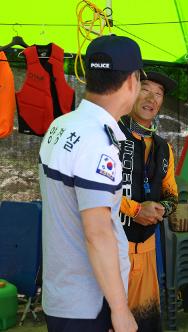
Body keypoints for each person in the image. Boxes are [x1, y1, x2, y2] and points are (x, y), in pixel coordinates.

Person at [38, 35, 144, 332]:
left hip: (61, 293)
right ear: (132, 81)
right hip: (88, 303)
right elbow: (97, 233)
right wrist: (120, 310)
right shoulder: (98, 142)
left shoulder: (61, 125)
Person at [118, 71, 178, 331]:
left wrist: (161, 209)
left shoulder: (164, 148)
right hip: (112, 246)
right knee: (111, 318)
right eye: (146, 89)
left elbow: (172, 195)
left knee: (144, 321)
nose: (152, 97)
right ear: (131, 91)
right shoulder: (110, 134)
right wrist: (134, 210)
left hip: (147, 248)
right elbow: (94, 189)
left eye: (159, 93)